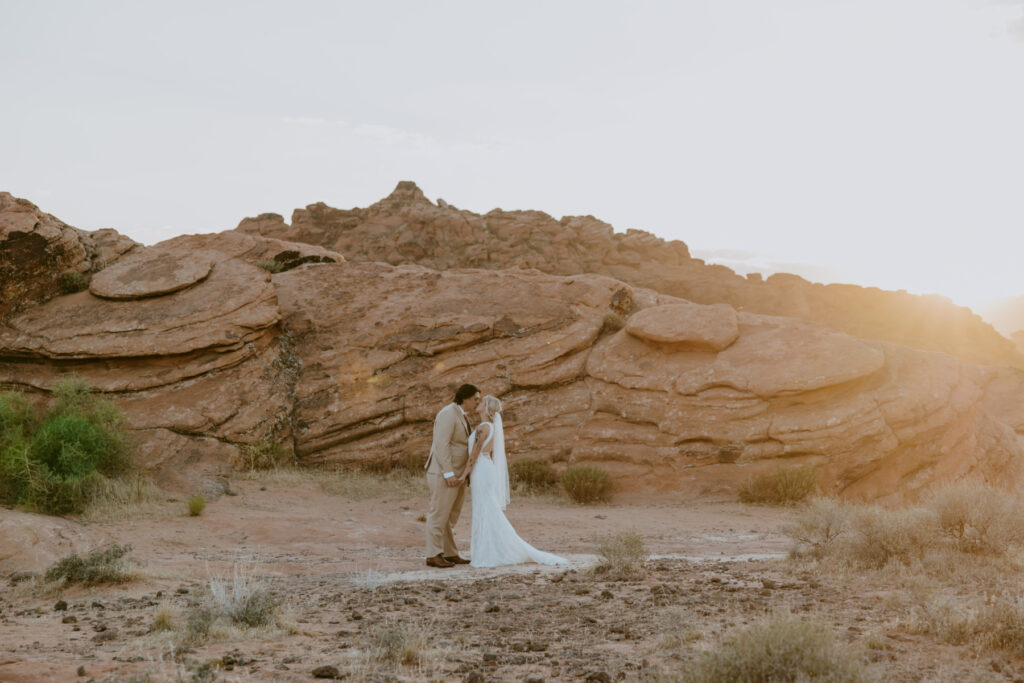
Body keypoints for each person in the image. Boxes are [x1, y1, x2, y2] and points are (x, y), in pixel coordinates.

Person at [457, 395, 567, 568]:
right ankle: (489, 549)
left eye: (482, 402)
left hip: (481, 469)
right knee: (486, 508)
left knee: (486, 509)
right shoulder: (490, 427)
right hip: (485, 468)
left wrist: (464, 475)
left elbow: (474, 454)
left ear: (487, 407)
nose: (478, 403)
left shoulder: (483, 427)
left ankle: (491, 551)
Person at [423, 384, 479, 568]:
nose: (477, 402)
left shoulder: (461, 415)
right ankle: (433, 555)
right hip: (443, 473)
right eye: (475, 399)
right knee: (439, 513)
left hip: (458, 474)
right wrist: (448, 473)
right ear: (465, 397)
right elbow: (442, 445)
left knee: (450, 515)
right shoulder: (448, 413)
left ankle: (450, 553)